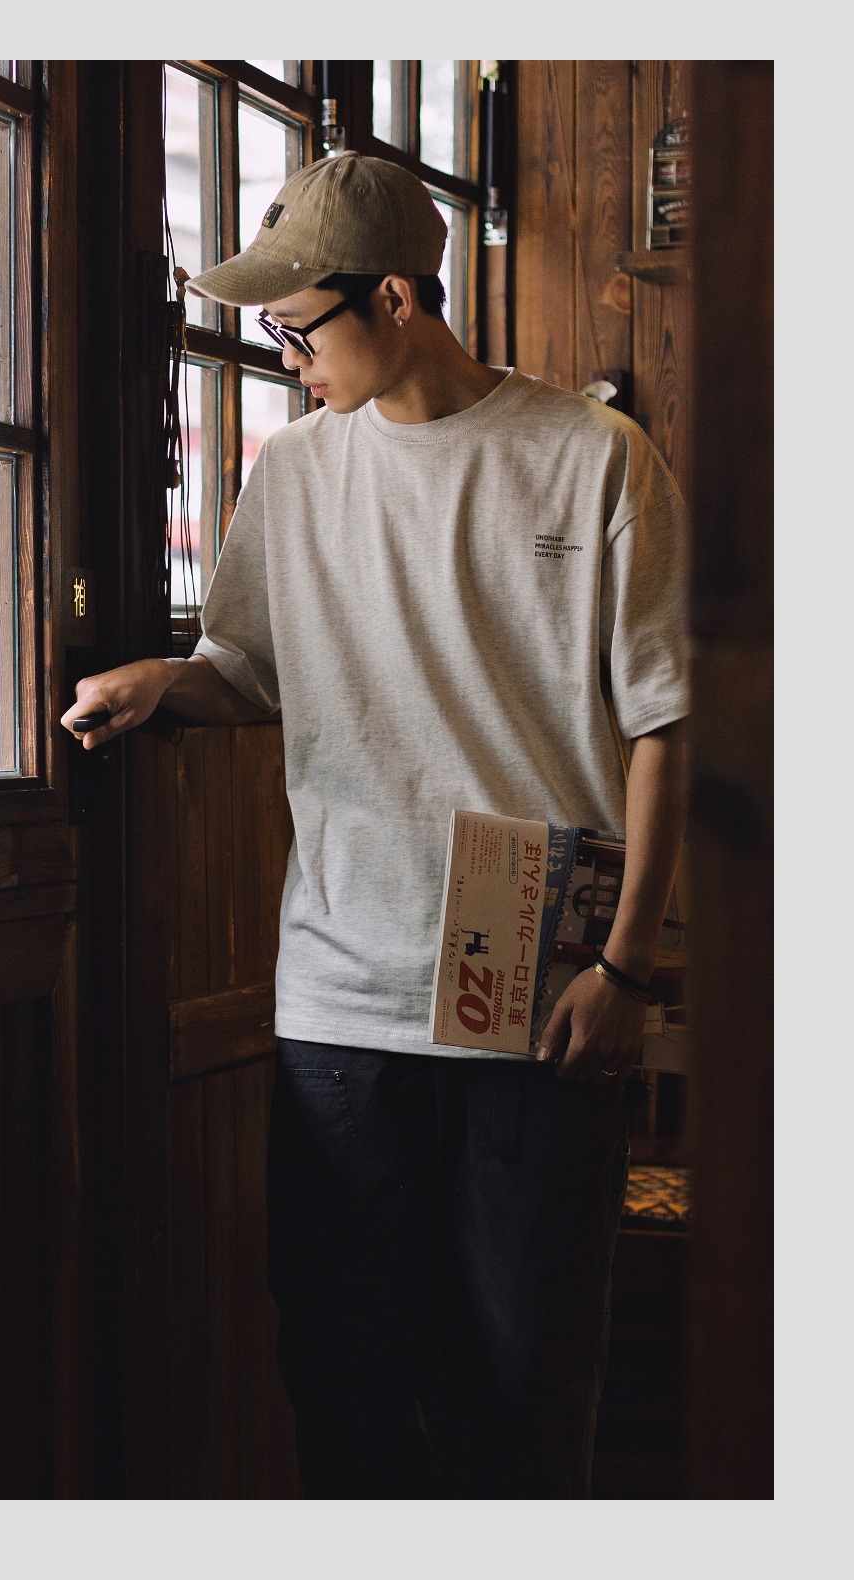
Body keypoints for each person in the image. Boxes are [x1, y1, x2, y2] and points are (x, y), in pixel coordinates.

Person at [61, 151, 690, 1499]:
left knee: (523, 1395)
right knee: (344, 1391)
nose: (285, 361)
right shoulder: (292, 474)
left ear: (397, 297)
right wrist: (163, 683)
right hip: (343, 1008)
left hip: (539, 1000)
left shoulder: (594, 458)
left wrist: (627, 968)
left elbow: (663, 723)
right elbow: (248, 672)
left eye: (298, 329)